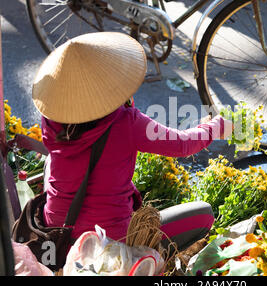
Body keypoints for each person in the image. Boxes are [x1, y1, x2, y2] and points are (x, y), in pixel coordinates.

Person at [31, 32, 233, 252]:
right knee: (203, 215)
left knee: (51, 161)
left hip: (58, 235)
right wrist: (216, 126)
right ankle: (144, 260)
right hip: (112, 244)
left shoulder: (51, 121)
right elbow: (183, 145)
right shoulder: (126, 122)